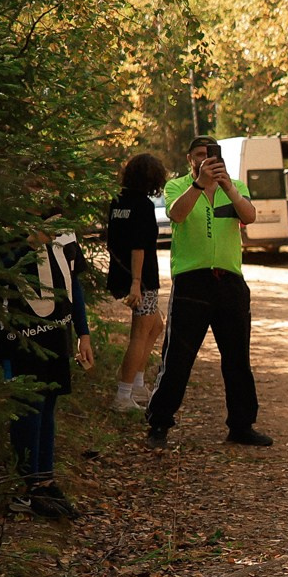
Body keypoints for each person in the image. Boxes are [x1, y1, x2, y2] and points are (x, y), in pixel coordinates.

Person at [145, 137, 270, 449]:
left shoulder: (236, 185)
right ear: (190, 159)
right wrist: (199, 185)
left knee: (237, 358)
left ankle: (241, 426)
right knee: (177, 357)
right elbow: (176, 215)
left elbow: (250, 216)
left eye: (210, 154)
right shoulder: (178, 187)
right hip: (192, 281)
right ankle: (159, 423)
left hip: (230, 282)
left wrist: (228, 188)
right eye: (199, 155)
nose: (205, 160)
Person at [0, 217, 94, 517]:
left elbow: (73, 282)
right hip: (18, 337)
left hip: (56, 334)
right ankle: (27, 488)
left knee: (48, 405)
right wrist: (30, 242)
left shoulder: (63, 227)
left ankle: (45, 481)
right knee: (28, 406)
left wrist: (83, 332)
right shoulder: (4, 226)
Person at [105, 152, 166, 411]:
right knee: (140, 334)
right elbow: (139, 246)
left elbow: (113, 241)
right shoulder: (143, 205)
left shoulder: (117, 202)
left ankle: (138, 384)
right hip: (141, 279)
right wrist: (137, 283)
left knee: (156, 326)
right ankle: (123, 395)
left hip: (122, 274)